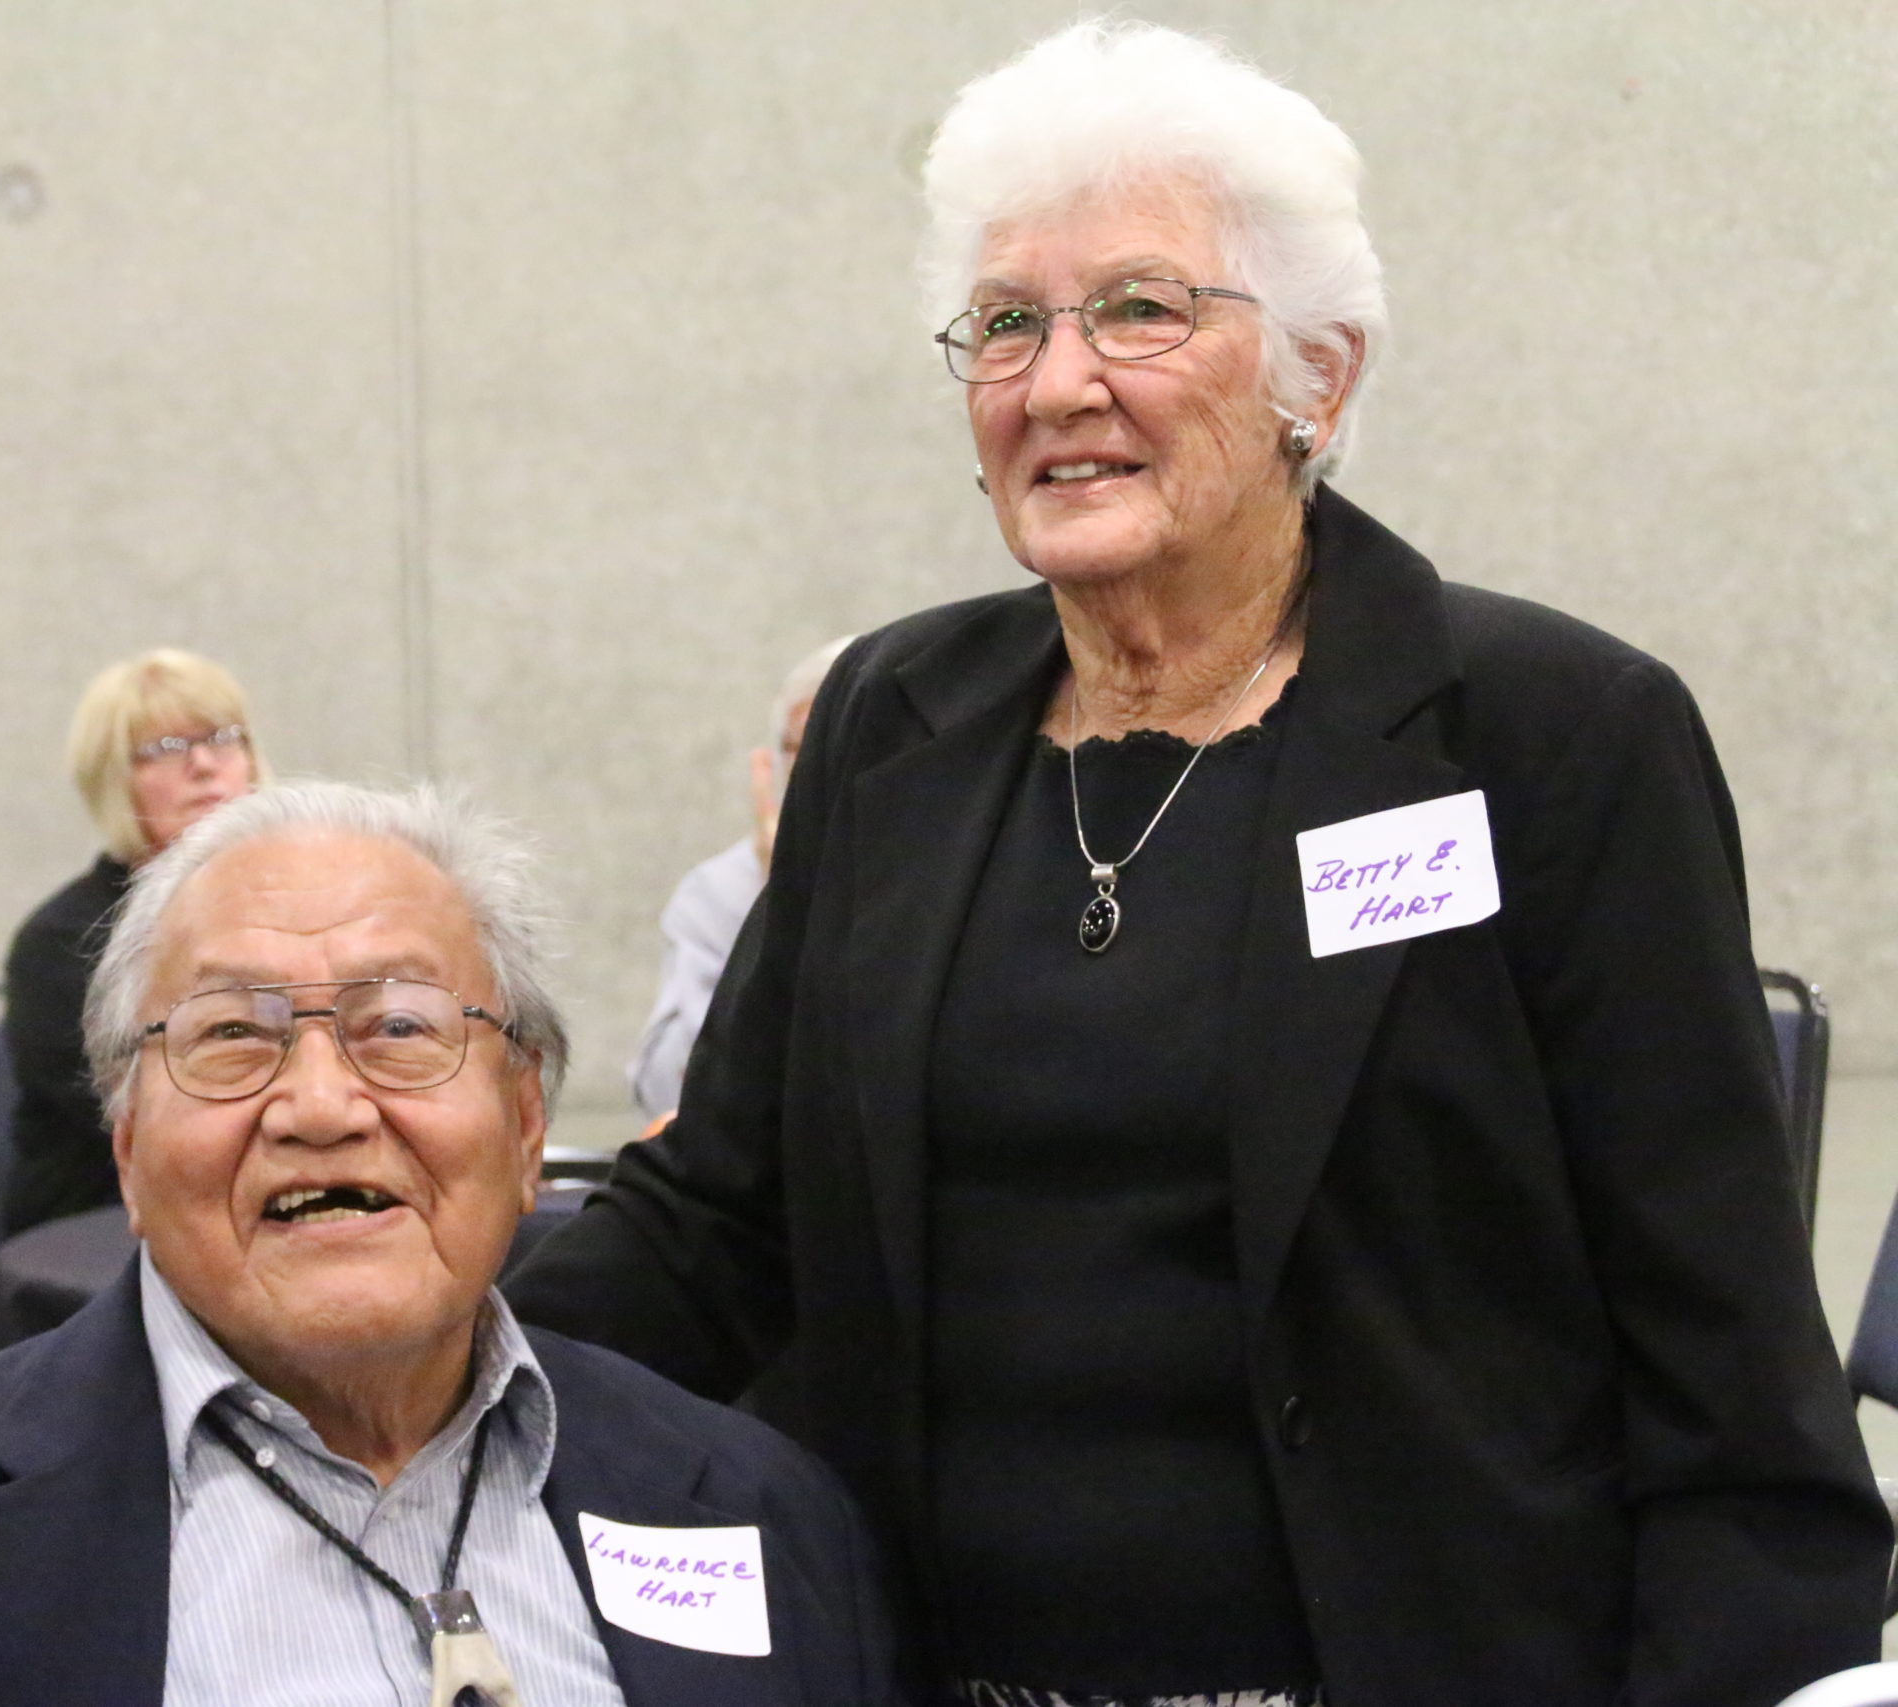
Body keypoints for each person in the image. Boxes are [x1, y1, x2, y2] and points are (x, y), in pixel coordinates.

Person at [510, 21, 1888, 1707]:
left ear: (1321, 375)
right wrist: (404, 1355)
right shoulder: (895, 719)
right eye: (1005, 323)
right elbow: (722, 1214)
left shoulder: (1548, 735)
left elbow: (1720, 1343)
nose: (1057, 380)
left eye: (1142, 309)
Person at [0, 781, 903, 1707]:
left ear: (526, 1121)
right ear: (126, 1141)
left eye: (402, 1028)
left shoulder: (762, 1512)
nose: (320, 1107)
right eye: (230, 1038)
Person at [1, 649, 263, 1234]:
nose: (203, 764)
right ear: (114, 780)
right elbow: (156, 1114)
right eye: (166, 748)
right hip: (105, 1233)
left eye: (223, 737)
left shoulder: (292, 911)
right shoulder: (64, 942)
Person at [626, 635, 853, 1122]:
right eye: (811, 746)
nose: (839, 765)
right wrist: (781, 898)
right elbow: (665, 1091)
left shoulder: (957, 870)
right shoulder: (725, 890)